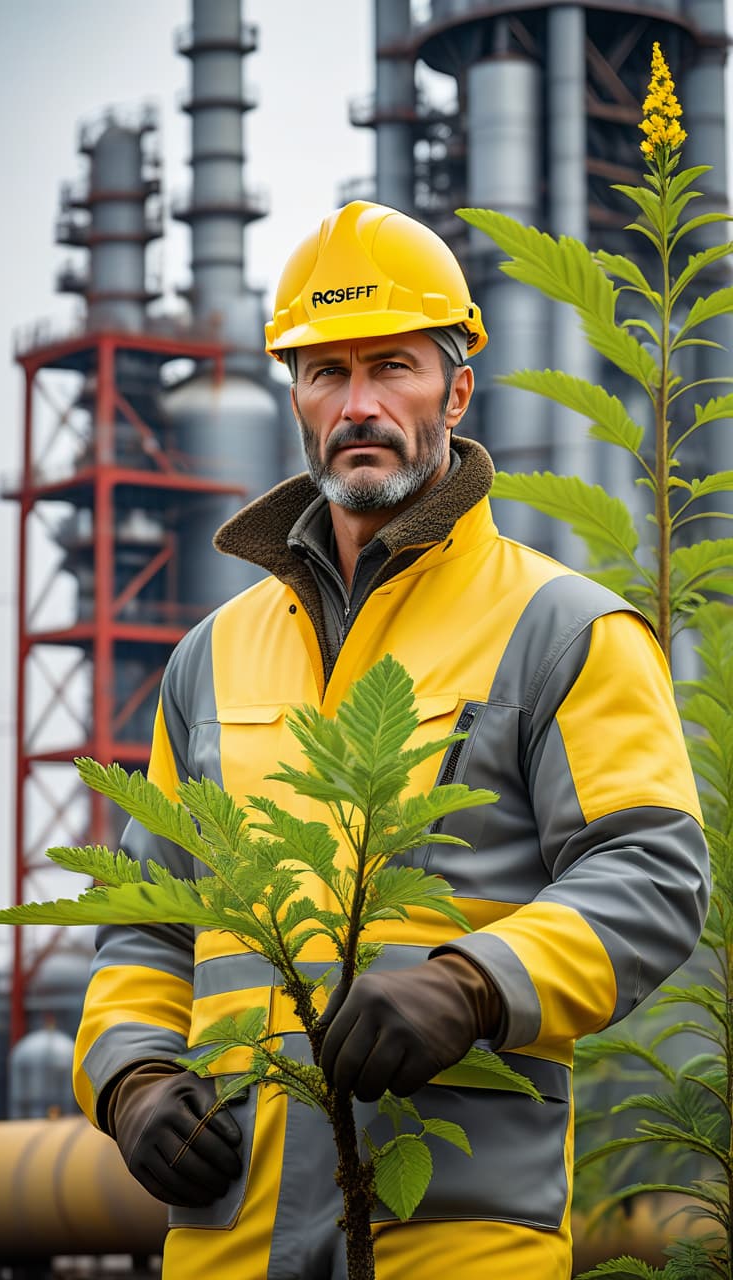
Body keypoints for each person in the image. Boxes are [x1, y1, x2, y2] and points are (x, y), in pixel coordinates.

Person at [72, 201, 709, 1280]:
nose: (359, 403)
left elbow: (649, 869)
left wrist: (472, 982)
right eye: (327, 372)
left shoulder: (562, 627)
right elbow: (147, 929)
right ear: (296, 397)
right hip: (227, 1243)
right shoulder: (207, 659)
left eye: (394, 366)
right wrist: (133, 1079)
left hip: (455, 1238)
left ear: (457, 388)